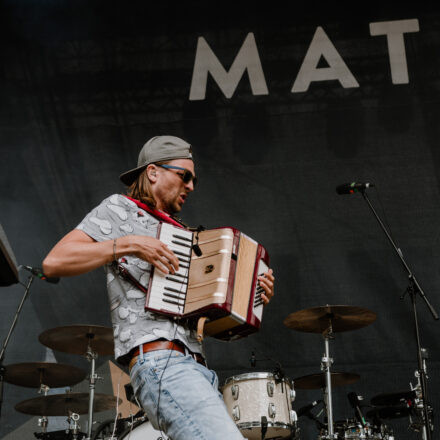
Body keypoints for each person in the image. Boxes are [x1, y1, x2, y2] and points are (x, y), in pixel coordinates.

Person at [42, 135, 275, 440]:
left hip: (196, 368)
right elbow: (55, 261)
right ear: (153, 172)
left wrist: (251, 296)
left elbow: (209, 325)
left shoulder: (183, 235)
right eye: (185, 176)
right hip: (162, 362)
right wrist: (127, 244)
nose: (191, 186)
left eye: (193, 180)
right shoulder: (119, 208)